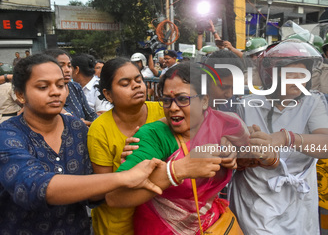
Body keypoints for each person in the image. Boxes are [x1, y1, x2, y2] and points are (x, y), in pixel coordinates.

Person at [0, 54, 163, 234]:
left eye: (61, 85)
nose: (56, 92)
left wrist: (122, 165)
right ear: (20, 95)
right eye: (43, 87)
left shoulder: (77, 128)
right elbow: (31, 186)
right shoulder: (8, 135)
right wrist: (123, 177)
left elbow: (94, 193)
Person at [105, 62, 250, 234]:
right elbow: (115, 197)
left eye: (182, 99)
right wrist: (174, 172)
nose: (173, 108)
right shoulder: (154, 136)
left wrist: (234, 154)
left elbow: (248, 159)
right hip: (161, 228)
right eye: (167, 100)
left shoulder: (228, 124)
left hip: (213, 224)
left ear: (204, 101)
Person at [229, 39, 328, 235]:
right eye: (290, 75)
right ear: (271, 76)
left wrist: (287, 138)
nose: (299, 81)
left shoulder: (312, 102)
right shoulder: (246, 104)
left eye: (302, 74)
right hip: (256, 199)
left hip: (299, 201)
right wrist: (251, 154)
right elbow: (235, 157)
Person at [87, 57, 165, 235]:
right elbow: (105, 190)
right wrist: (129, 164)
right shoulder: (99, 130)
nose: (136, 85)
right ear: (108, 95)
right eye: (125, 83)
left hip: (161, 221)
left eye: (138, 80)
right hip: (119, 224)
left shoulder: (163, 111)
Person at [44, 49, 98, 126]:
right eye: (61, 65)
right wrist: (80, 123)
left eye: (69, 66)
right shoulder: (43, 92)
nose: (67, 70)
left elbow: (90, 115)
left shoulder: (75, 87)